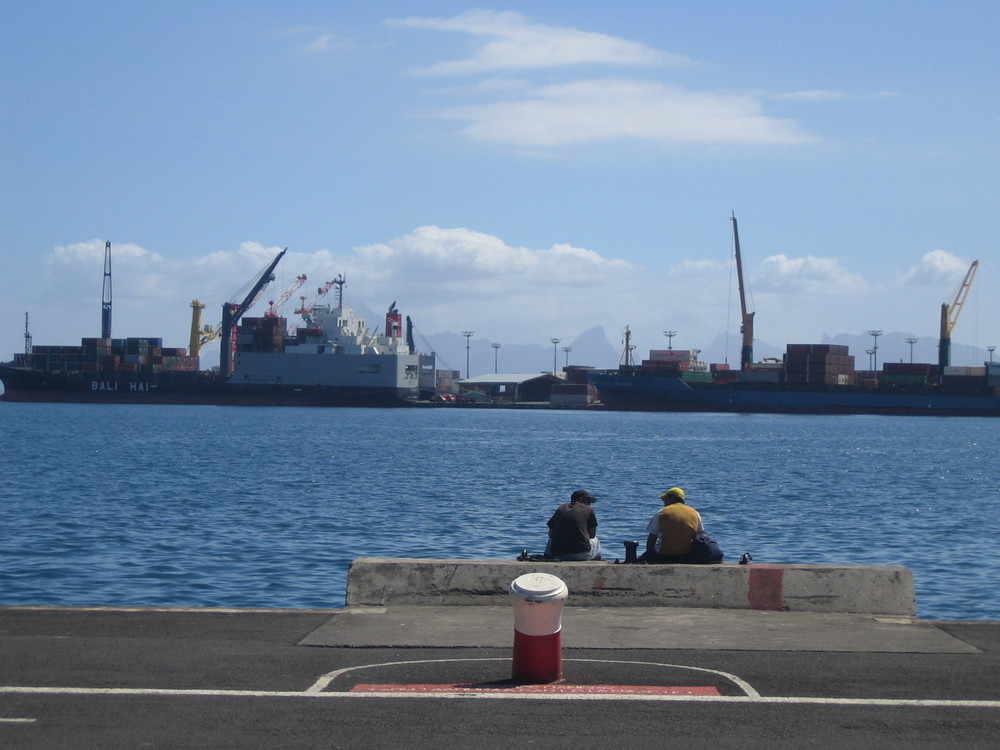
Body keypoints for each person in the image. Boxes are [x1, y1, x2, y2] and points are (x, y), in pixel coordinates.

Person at [640, 486, 723, 564]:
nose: (664, 503)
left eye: (665, 499)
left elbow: (652, 538)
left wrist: (648, 556)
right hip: (687, 556)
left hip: (665, 556)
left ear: (671, 498)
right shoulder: (694, 513)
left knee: (641, 558)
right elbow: (700, 535)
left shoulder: (661, 513)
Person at [545, 489, 602, 561]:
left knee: (550, 540)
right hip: (581, 554)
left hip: (558, 554)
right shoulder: (589, 509)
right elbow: (592, 535)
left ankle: (547, 557)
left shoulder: (561, 508)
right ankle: (597, 563)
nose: (589, 504)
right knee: (596, 540)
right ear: (580, 499)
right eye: (588, 502)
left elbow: (551, 534)